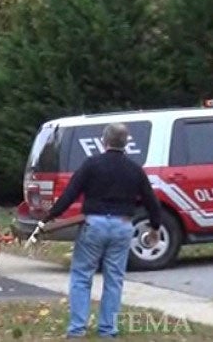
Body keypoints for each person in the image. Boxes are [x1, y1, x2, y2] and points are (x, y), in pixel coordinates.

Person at [40, 122, 161, 338]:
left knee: (82, 275)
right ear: (126, 143)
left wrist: (50, 216)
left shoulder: (91, 165)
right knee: (114, 278)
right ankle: (108, 329)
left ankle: (77, 328)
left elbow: (70, 194)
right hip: (123, 225)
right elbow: (152, 201)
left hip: (94, 224)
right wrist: (155, 226)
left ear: (103, 141)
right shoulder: (135, 169)